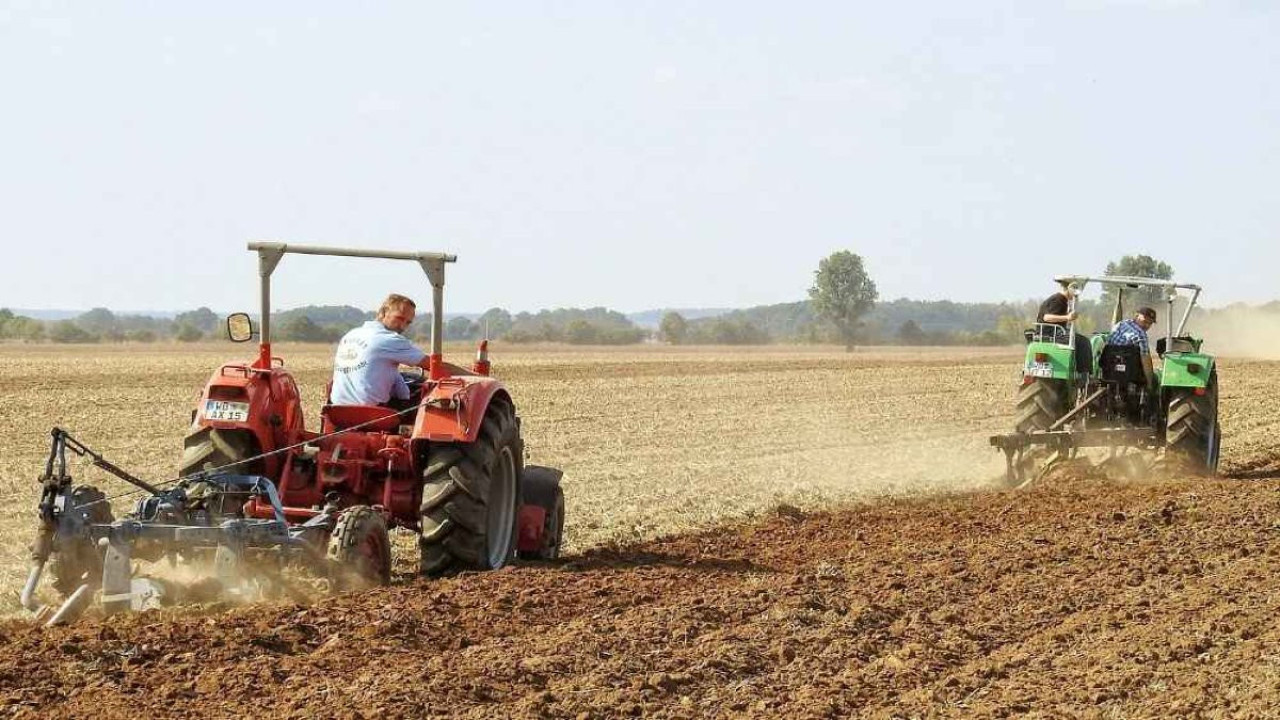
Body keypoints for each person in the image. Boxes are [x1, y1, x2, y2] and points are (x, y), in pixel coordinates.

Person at [330, 294, 432, 407]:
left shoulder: (350, 335)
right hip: (373, 412)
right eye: (399, 318)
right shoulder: (389, 339)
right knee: (428, 400)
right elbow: (434, 365)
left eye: (408, 322)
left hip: (337, 409)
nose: (403, 326)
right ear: (383, 313)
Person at [1036, 281, 1092, 377]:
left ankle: (1076, 369)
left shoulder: (1060, 300)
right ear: (1070, 289)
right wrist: (1067, 318)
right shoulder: (1058, 299)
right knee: (1083, 342)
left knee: (1077, 339)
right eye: (1074, 289)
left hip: (1053, 333)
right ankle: (1084, 374)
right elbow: (1047, 317)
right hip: (1052, 334)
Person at [1108, 306, 1158, 387]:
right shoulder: (1141, 334)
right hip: (1129, 372)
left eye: (1150, 323)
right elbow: (1145, 359)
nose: (1147, 325)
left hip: (1109, 366)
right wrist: (1150, 383)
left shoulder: (1121, 324)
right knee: (1154, 379)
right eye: (1145, 321)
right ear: (1136, 316)